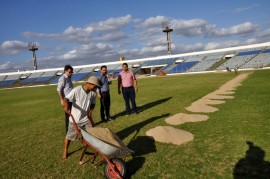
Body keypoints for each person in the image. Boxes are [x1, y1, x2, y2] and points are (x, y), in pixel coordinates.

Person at [62, 76, 100, 160]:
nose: (96, 88)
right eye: (95, 86)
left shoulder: (93, 93)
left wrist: (90, 113)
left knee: (92, 133)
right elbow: (66, 99)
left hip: (86, 119)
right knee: (69, 136)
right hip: (75, 119)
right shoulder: (77, 90)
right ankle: (65, 150)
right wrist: (66, 105)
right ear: (89, 84)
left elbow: (93, 104)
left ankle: (91, 146)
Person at [57, 65, 73, 134]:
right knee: (68, 116)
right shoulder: (62, 78)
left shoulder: (69, 78)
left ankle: (72, 130)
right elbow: (59, 90)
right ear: (65, 71)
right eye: (69, 72)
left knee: (72, 115)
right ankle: (68, 132)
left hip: (71, 100)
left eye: (72, 72)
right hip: (66, 101)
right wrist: (62, 100)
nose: (71, 73)